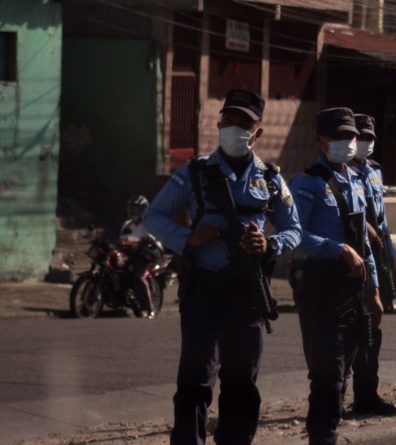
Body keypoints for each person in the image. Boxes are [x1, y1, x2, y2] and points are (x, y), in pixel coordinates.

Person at [144, 89, 301, 445]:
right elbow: (153, 216)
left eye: (243, 123)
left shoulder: (271, 178)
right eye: (228, 120)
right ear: (218, 124)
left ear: (257, 132)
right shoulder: (195, 172)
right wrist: (188, 238)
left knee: (242, 383)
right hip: (205, 289)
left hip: (248, 292)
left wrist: (270, 244)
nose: (234, 128)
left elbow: (294, 229)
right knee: (195, 380)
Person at [289, 107, 383, 445]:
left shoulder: (357, 180)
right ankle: (322, 436)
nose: (346, 142)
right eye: (337, 136)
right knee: (327, 373)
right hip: (321, 287)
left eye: (350, 136)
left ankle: (327, 430)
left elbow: (363, 244)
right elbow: (294, 235)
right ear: (320, 141)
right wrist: (338, 249)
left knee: (343, 372)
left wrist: (374, 289)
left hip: (354, 290)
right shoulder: (307, 183)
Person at [348, 113, 396, 416]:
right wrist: (365, 228)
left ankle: (368, 393)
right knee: (358, 329)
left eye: (370, 138)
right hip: (354, 256)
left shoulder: (375, 171)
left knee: (373, 329)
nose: (365, 143)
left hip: (377, 255)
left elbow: (383, 221)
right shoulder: (343, 172)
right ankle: (356, 395)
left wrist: (392, 259)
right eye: (361, 137)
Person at [119, 195, 154, 318]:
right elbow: (121, 239)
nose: (134, 211)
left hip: (144, 255)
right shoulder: (127, 224)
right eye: (132, 208)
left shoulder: (148, 224)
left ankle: (149, 308)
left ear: (144, 209)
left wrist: (137, 243)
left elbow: (149, 240)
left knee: (138, 277)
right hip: (128, 254)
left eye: (138, 209)